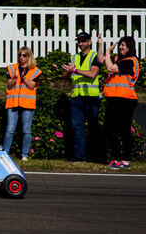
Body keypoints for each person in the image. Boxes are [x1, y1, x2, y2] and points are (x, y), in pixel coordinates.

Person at [59, 31, 102, 162]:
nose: (80, 43)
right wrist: (67, 72)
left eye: (83, 41)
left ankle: (94, 155)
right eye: (79, 41)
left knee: (93, 127)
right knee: (77, 127)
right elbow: (66, 77)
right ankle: (79, 155)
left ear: (89, 42)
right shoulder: (75, 57)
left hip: (91, 97)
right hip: (77, 97)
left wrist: (74, 70)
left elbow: (92, 74)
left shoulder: (95, 56)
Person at [99, 35, 139, 169]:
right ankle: (116, 158)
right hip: (113, 98)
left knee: (124, 130)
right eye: (120, 44)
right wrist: (102, 47)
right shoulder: (118, 59)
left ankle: (126, 159)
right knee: (110, 129)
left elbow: (110, 68)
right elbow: (102, 60)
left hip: (126, 99)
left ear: (130, 47)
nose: (121, 47)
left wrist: (108, 54)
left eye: (124, 45)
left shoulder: (130, 61)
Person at [3, 46, 42, 161]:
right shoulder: (12, 68)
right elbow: (9, 85)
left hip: (27, 104)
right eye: (20, 55)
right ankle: (5, 153)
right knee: (10, 129)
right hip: (13, 102)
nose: (21, 57)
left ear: (29, 56)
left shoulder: (35, 71)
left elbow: (31, 86)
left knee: (26, 130)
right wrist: (15, 77)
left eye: (24, 55)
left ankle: (24, 154)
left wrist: (24, 78)